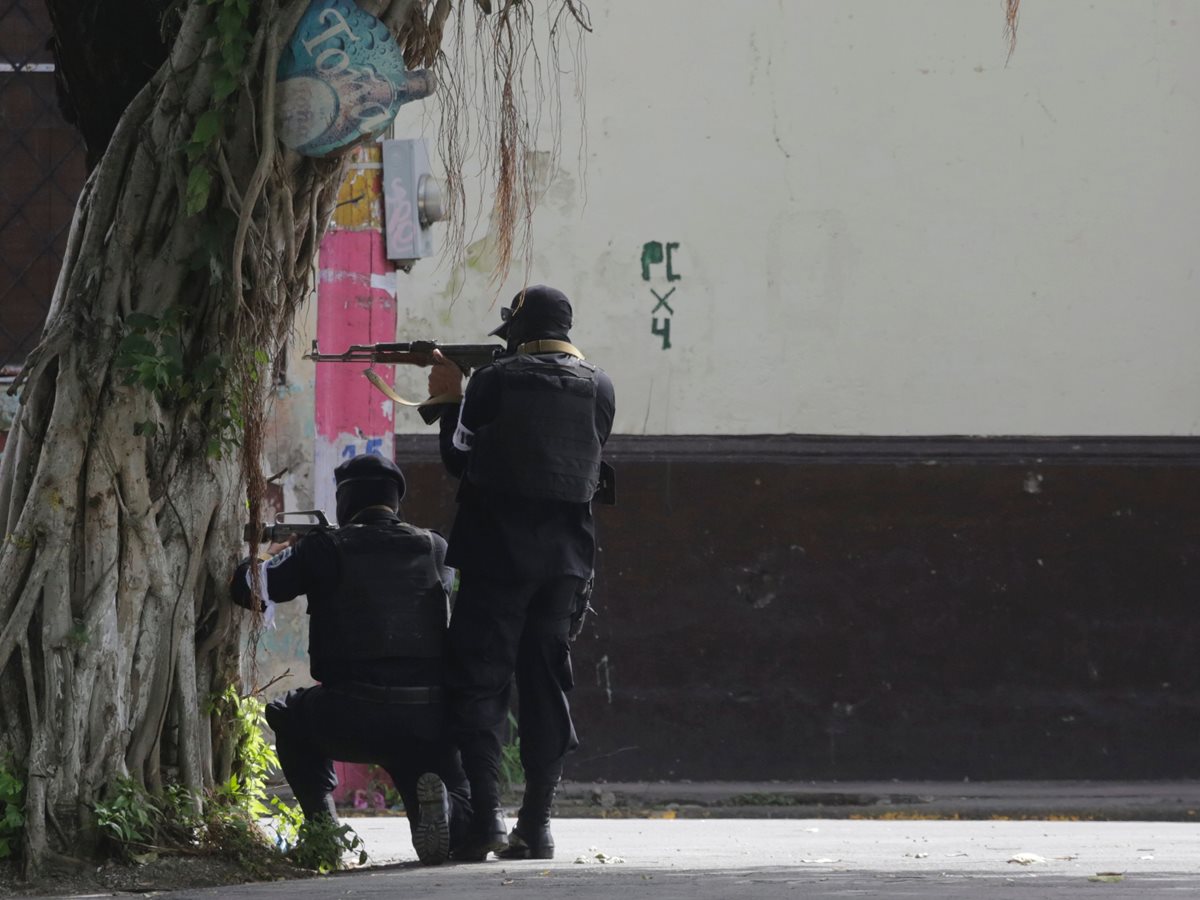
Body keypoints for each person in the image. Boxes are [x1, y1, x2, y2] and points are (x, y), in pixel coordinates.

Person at [426, 284, 616, 861]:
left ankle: (486, 820)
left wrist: (447, 400)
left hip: (496, 557)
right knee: (546, 685)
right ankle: (538, 825)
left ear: (517, 331)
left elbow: (460, 460)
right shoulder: (600, 387)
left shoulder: (492, 382)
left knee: (480, 683)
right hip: (566, 564)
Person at [229, 454, 471, 865]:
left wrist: (277, 553)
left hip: (352, 713)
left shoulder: (327, 547)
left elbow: (246, 587)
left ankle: (325, 834)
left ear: (344, 501)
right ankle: (447, 811)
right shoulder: (435, 547)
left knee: (287, 713)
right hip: (427, 716)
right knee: (454, 803)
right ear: (396, 502)